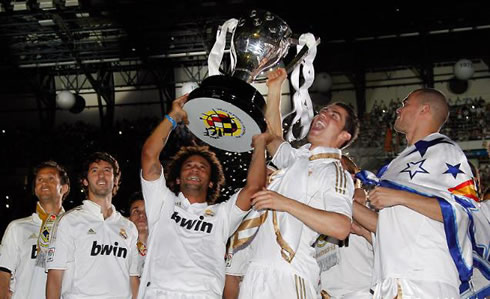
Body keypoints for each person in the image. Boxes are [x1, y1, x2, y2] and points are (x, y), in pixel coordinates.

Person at [237, 68, 360, 299]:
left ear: (344, 136)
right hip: (256, 271)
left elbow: (341, 226)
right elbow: (273, 137)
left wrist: (284, 202)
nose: (322, 115)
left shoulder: (334, 171)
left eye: (333, 116)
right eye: (323, 111)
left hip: (291, 275)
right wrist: (274, 90)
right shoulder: (299, 158)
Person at [353, 88, 487, 298]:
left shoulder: (445, 151)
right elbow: (389, 226)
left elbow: (463, 211)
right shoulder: (396, 165)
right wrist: (350, 203)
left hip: (426, 278)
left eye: (406, 103)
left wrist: (400, 196)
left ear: (424, 109)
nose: (398, 108)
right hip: (391, 277)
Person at [138, 94, 269, 298]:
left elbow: (253, 188)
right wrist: (173, 116)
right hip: (159, 293)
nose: (194, 170)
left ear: (210, 182)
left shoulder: (222, 214)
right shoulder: (162, 202)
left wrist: (260, 144)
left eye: (202, 167)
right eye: (189, 166)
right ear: (178, 178)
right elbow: (149, 156)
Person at [46, 152, 140, 299]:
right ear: (85, 181)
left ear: (115, 179)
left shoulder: (129, 227)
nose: (101, 175)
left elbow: (134, 279)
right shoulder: (69, 221)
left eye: (107, 170)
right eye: (95, 170)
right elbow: (54, 277)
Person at [0, 161, 70, 299]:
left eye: (50, 178)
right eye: (39, 180)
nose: (44, 183)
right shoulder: (17, 227)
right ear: (35, 189)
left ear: (64, 188)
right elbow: (3, 273)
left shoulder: (74, 228)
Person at [317, 155, 374, 299]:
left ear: (352, 178)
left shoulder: (367, 210)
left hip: (360, 293)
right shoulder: (313, 211)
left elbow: (393, 247)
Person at [127, 191, 148, 276]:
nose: (141, 215)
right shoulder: (121, 248)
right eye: (136, 211)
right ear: (128, 219)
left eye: (147, 211)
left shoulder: (164, 248)